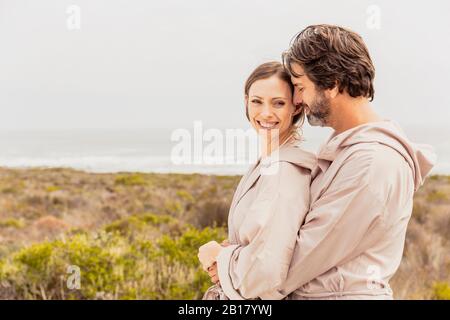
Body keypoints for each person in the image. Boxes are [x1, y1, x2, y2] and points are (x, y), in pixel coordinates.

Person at [198, 61, 316, 299]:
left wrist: (219, 258)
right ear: (245, 102)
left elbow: (267, 271)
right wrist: (232, 251)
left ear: (296, 107)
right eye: (256, 101)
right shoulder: (269, 163)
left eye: (278, 103)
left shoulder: (284, 172)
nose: (265, 113)